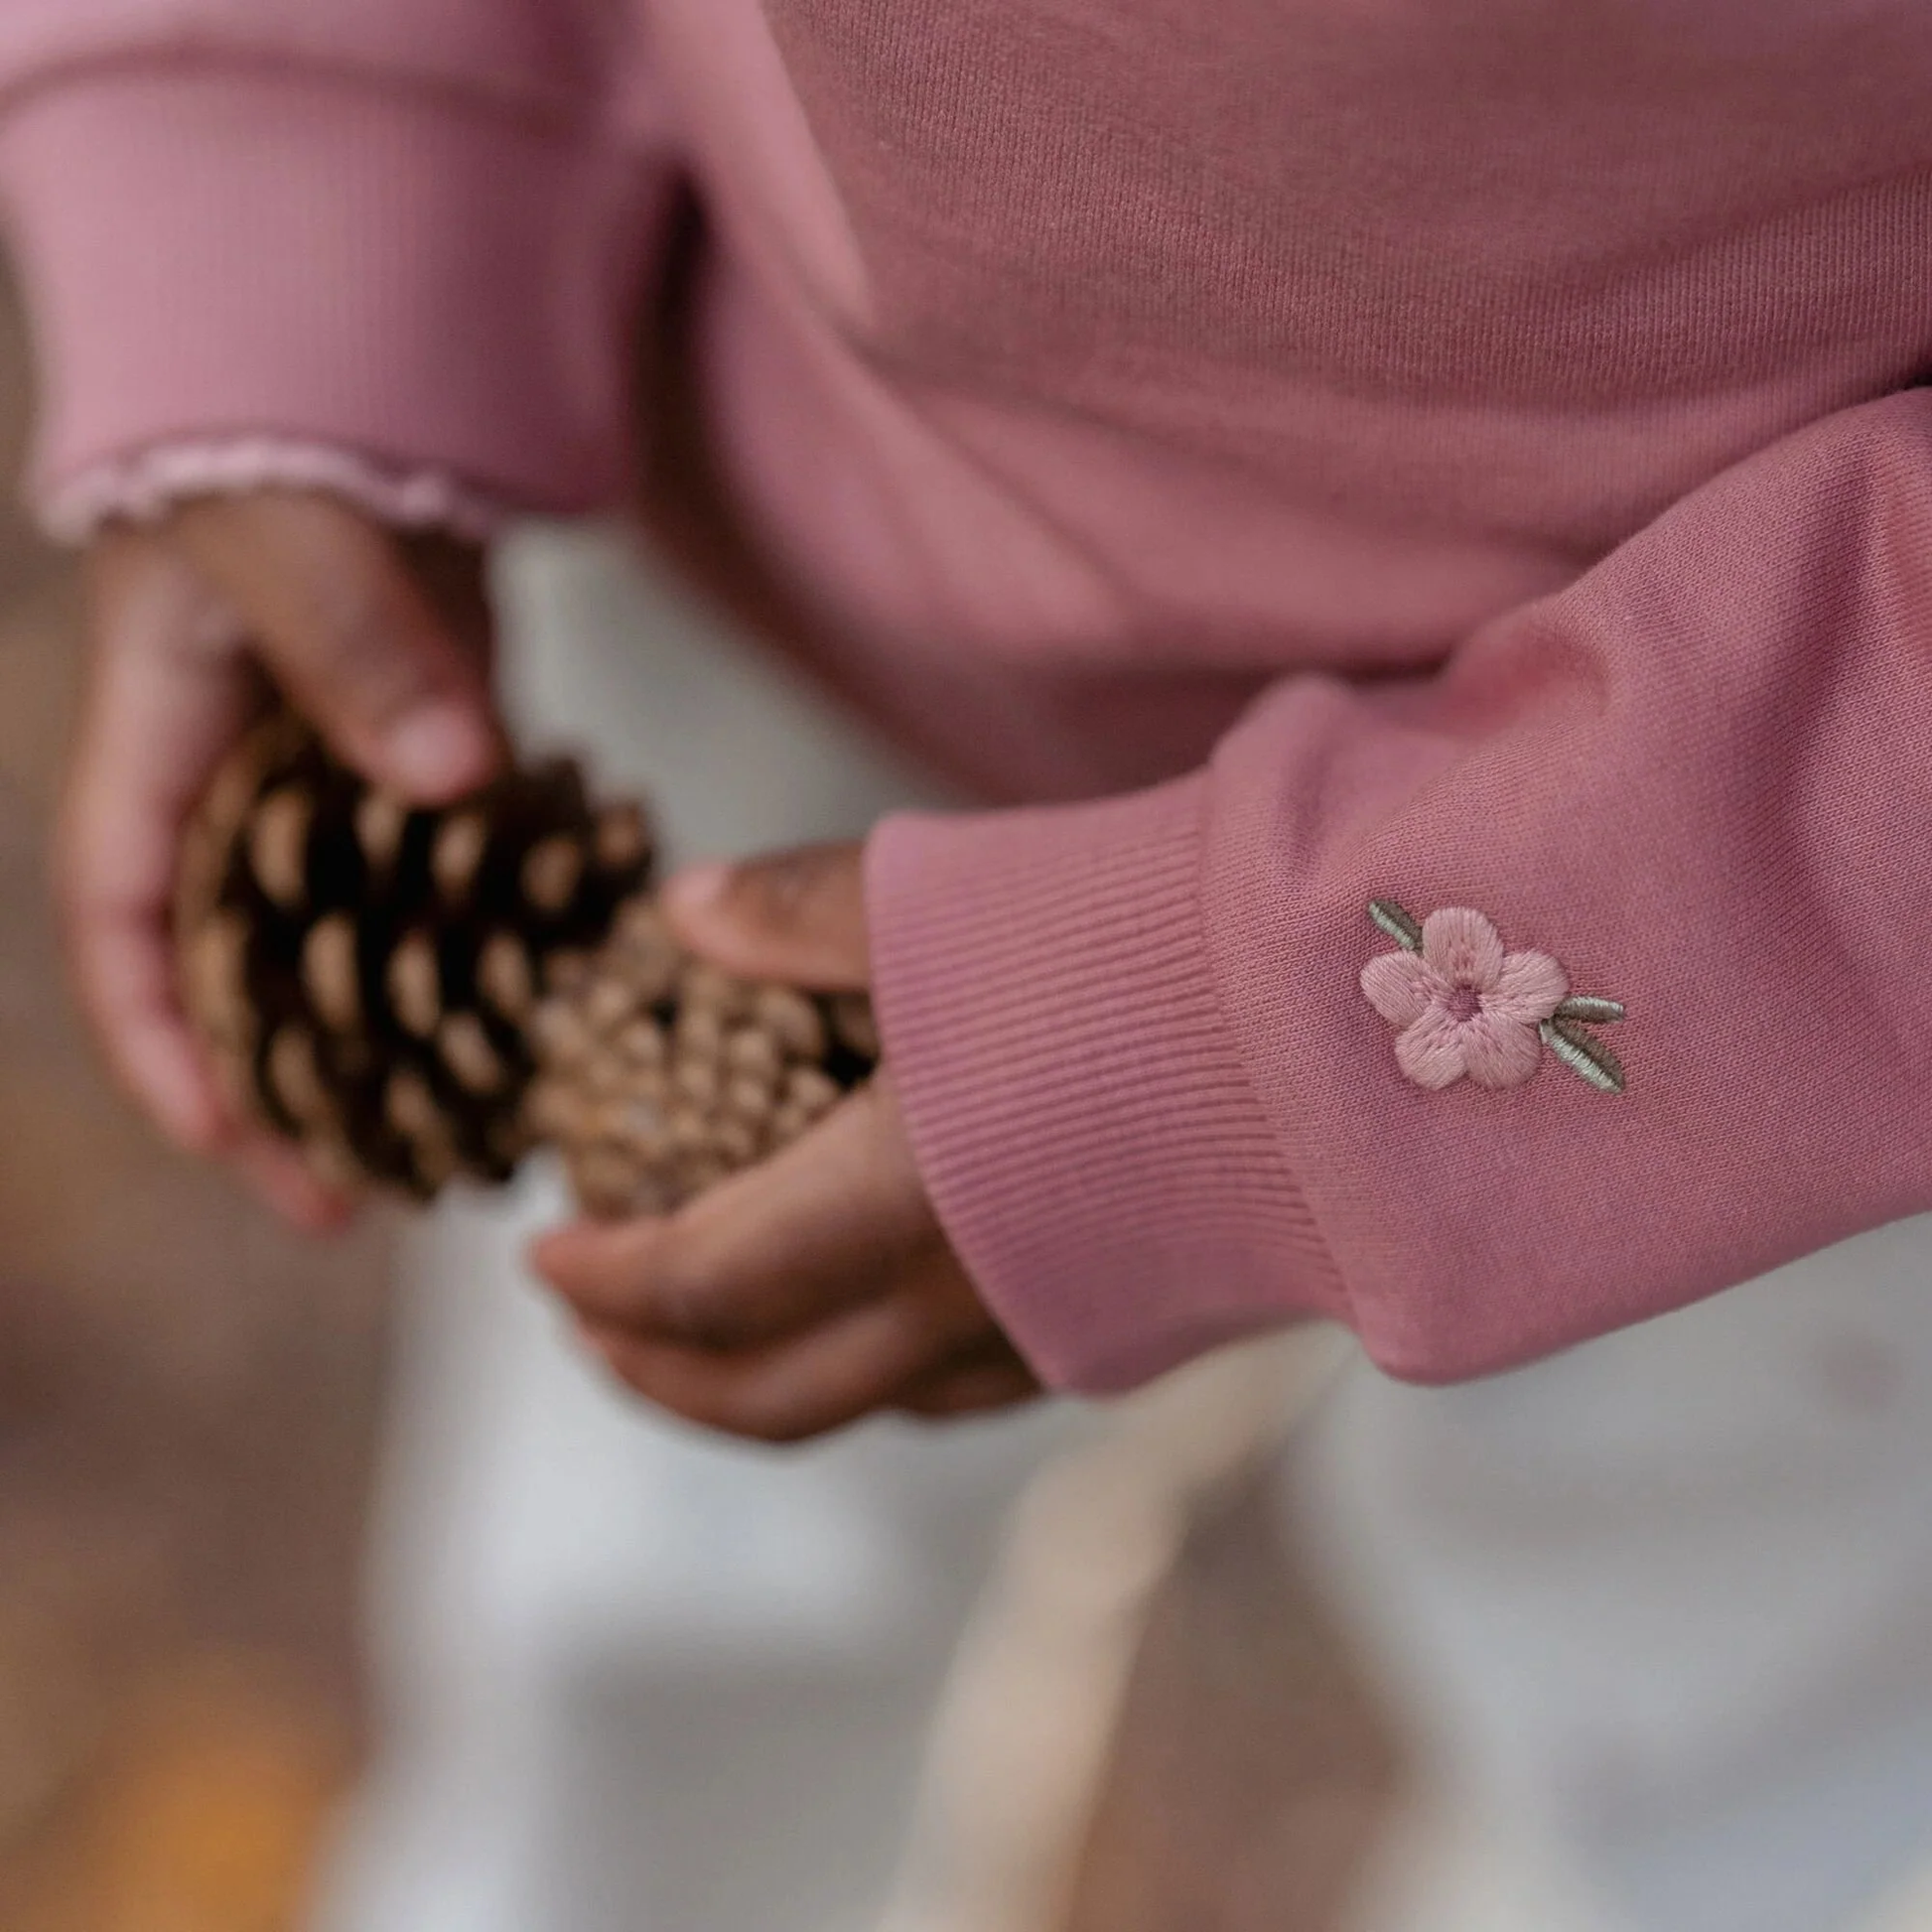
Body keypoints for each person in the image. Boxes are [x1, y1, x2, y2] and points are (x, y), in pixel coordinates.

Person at [6, 3, 1932, 1927]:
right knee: (674, 1590)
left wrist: (1278, 1023)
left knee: (1707, 1766)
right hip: (786, 572)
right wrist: (268, 164)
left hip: (1806, 997)